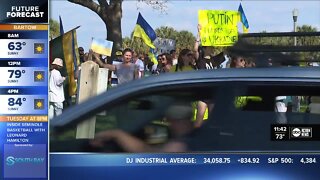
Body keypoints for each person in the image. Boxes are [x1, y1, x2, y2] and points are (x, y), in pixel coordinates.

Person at [90, 102, 195, 152]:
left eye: (170, 120)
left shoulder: (180, 145)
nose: (169, 124)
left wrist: (117, 134)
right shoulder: (195, 136)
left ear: (178, 121)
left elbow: (148, 154)